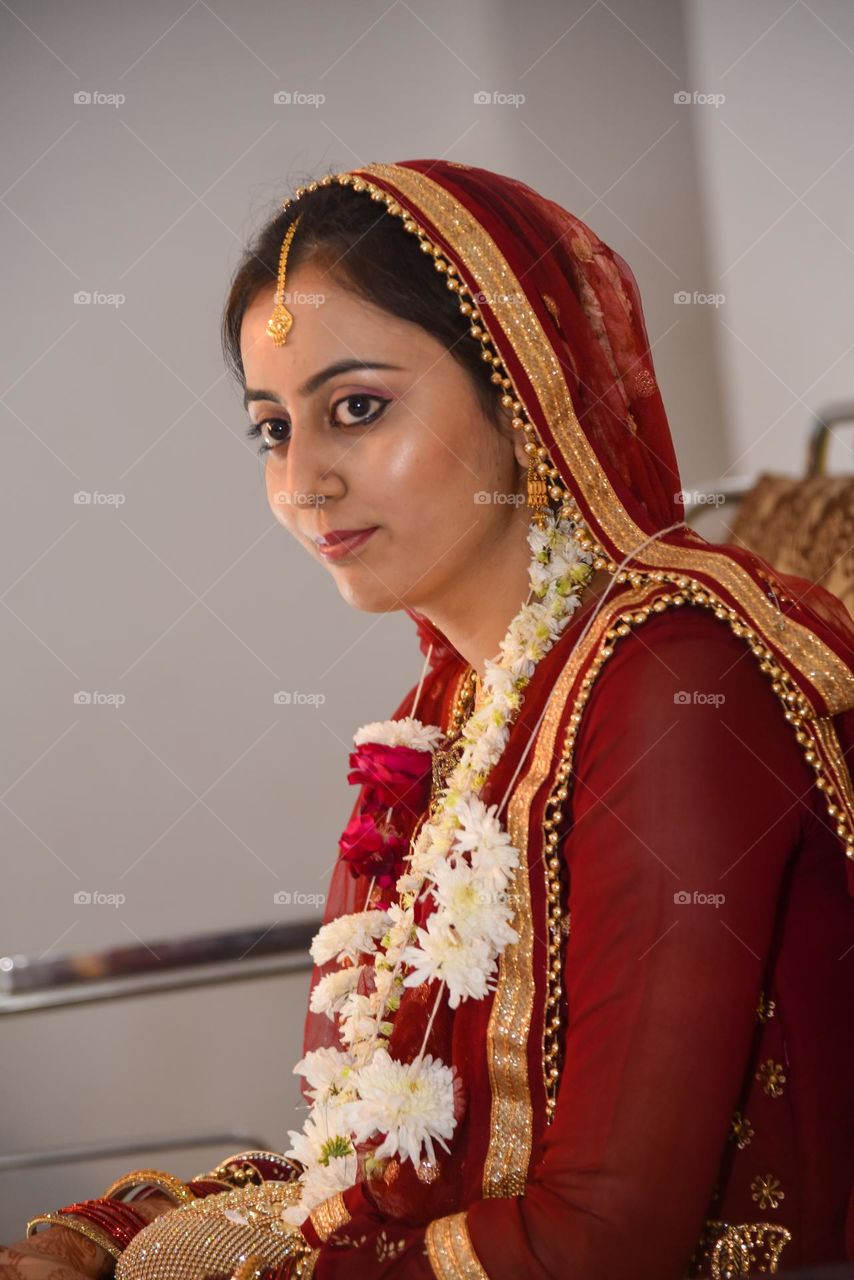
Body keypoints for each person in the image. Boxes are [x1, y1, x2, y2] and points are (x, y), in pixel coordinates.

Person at [7, 158, 854, 1280]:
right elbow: (394, 1165)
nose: (303, 482)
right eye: (272, 427)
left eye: (356, 408)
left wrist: (212, 1263)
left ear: (522, 391)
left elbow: (603, 1240)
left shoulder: (672, 681)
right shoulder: (451, 706)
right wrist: (118, 1231)